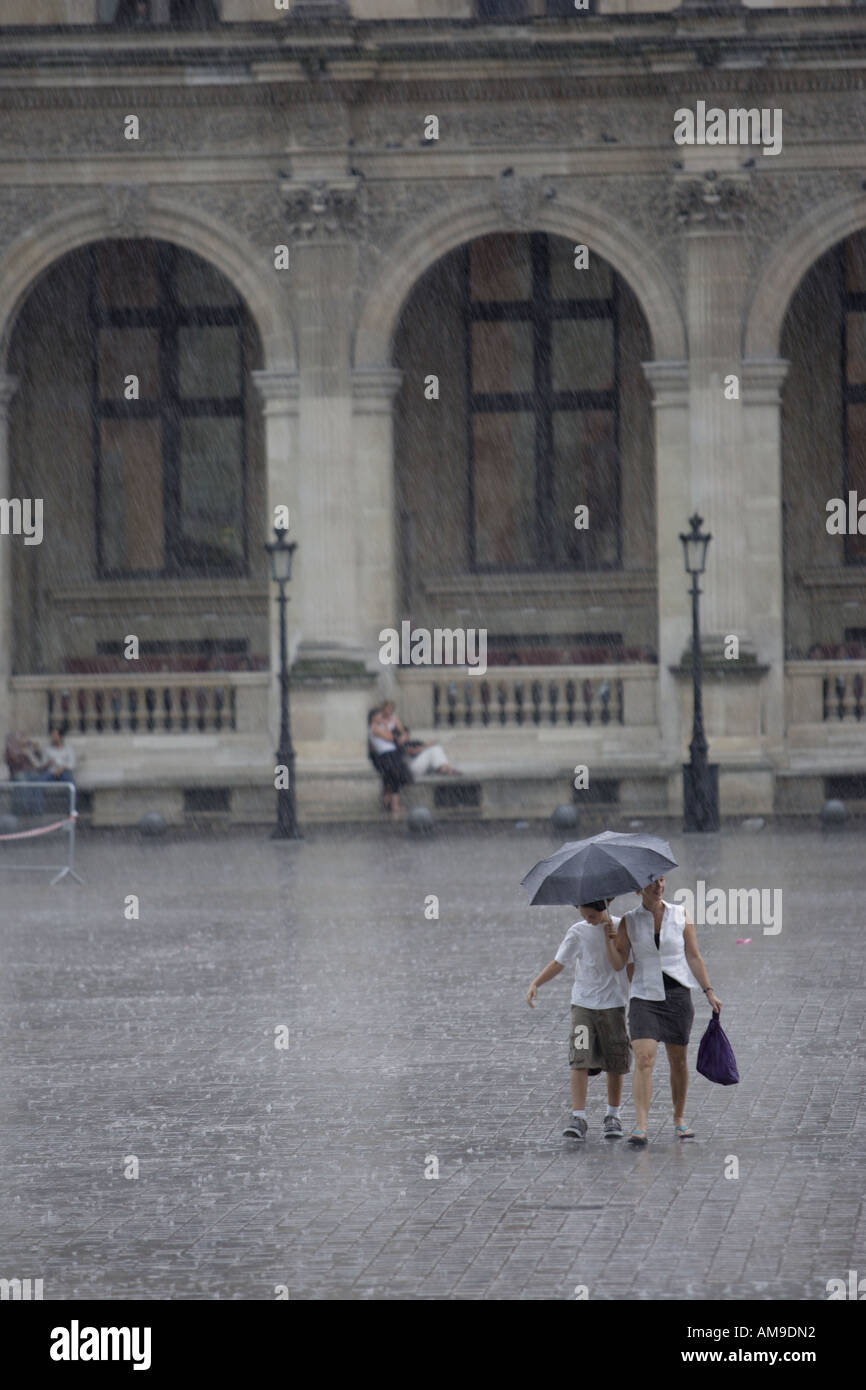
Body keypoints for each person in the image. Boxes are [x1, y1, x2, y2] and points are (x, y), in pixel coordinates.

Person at [608, 875, 722, 1147]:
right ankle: (642, 1126)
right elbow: (619, 963)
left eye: (661, 880)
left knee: (678, 1060)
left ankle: (679, 1118)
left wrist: (708, 990)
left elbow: (694, 956)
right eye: (651, 882)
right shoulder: (628, 921)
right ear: (638, 889)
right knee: (644, 1059)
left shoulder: (680, 914)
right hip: (644, 998)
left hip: (677, 996)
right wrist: (611, 939)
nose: (658, 886)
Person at [526, 898, 632, 1141]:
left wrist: (612, 939)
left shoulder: (621, 926)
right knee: (579, 1057)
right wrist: (536, 983)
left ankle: (612, 1115)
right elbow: (558, 962)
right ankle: (578, 1115)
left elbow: (625, 965)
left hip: (613, 1005)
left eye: (592, 916)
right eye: (584, 916)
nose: (588, 920)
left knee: (615, 1061)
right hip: (584, 1005)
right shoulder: (577, 932)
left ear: (603, 908)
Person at [376, 701, 461, 778]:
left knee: (436, 748)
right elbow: (411, 751)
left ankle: (446, 768)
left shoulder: (410, 740)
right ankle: (445, 769)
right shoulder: (395, 741)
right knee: (434, 749)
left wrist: (428, 745)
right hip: (410, 767)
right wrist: (427, 746)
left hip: (422, 766)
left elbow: (419, 745)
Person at [367, 705, 412, 817]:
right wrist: (387, 725)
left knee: (390, 780)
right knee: (394, 779)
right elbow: (390, 738)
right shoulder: (375, 727)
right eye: (379, 716)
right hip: (387, 756)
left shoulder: (378, 726)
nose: (382, 718)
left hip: (390, 755)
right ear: (373, 718)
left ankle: (388, 803)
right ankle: (394, 805)